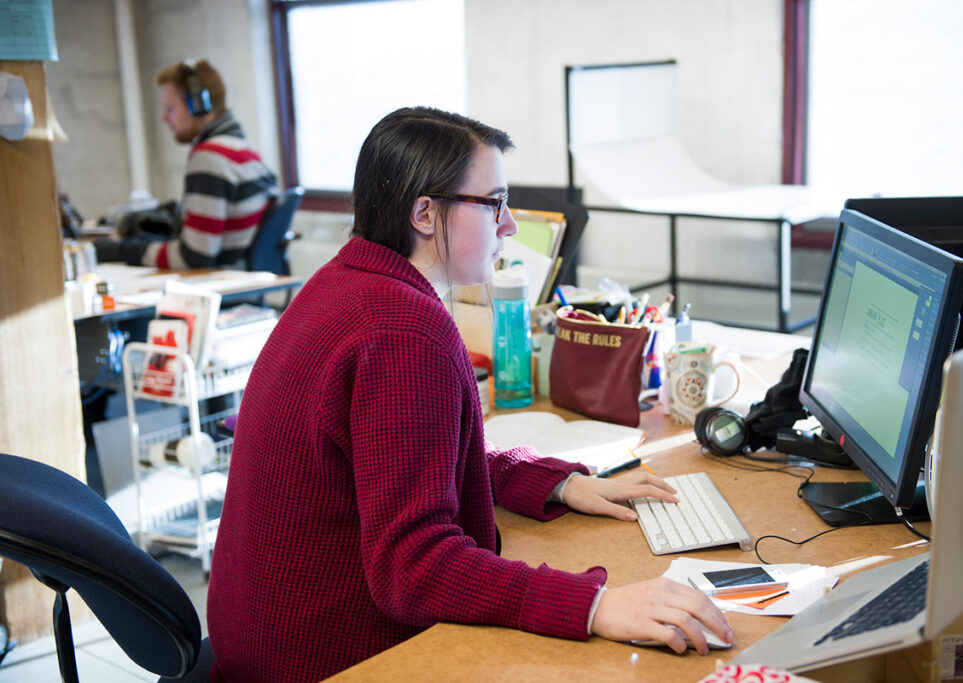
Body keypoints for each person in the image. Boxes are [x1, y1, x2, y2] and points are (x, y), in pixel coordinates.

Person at [206, 107, 732, 681]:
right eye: (494, 203)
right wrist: (595, 605)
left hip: (261, 639)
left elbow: (402, 459)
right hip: (327, 660)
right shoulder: (403, 329)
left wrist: (555, 481)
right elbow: (414, 565)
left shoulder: (345, 283)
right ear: (426, 214)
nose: (509, 227)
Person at [94, 58, 278, 268]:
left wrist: (122, 250)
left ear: (197, 105)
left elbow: (194, 257)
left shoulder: (210, 158)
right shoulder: (245, 148)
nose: (164, 118)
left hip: (219, 285)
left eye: (170, 108)